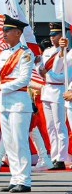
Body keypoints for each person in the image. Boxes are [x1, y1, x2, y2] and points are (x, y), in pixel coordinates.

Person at [0, 15, 34, 193]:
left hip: (19, 102)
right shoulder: (4, 54)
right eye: (3, 30)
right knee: (10, 143)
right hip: (4, 103)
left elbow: (23, 80)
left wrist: (0, 86)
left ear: (18, 33)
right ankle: (15, 178)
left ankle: (25, 180)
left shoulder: (25, 54)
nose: (3, 34)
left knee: (20, 142)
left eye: (7, 31)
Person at [38, 23, 70, 171]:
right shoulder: (47, 52)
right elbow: (41, 69)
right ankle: (54, 155)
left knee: (59, 126)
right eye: (51, 35)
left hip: (59, 90)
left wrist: (48, 74)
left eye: (55, 35)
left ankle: (62, 158)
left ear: (62, 36)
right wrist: (43, 72)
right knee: (50, 126)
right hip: (47, 90)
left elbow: (63, 77)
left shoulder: (67, 54)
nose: (52, 38)